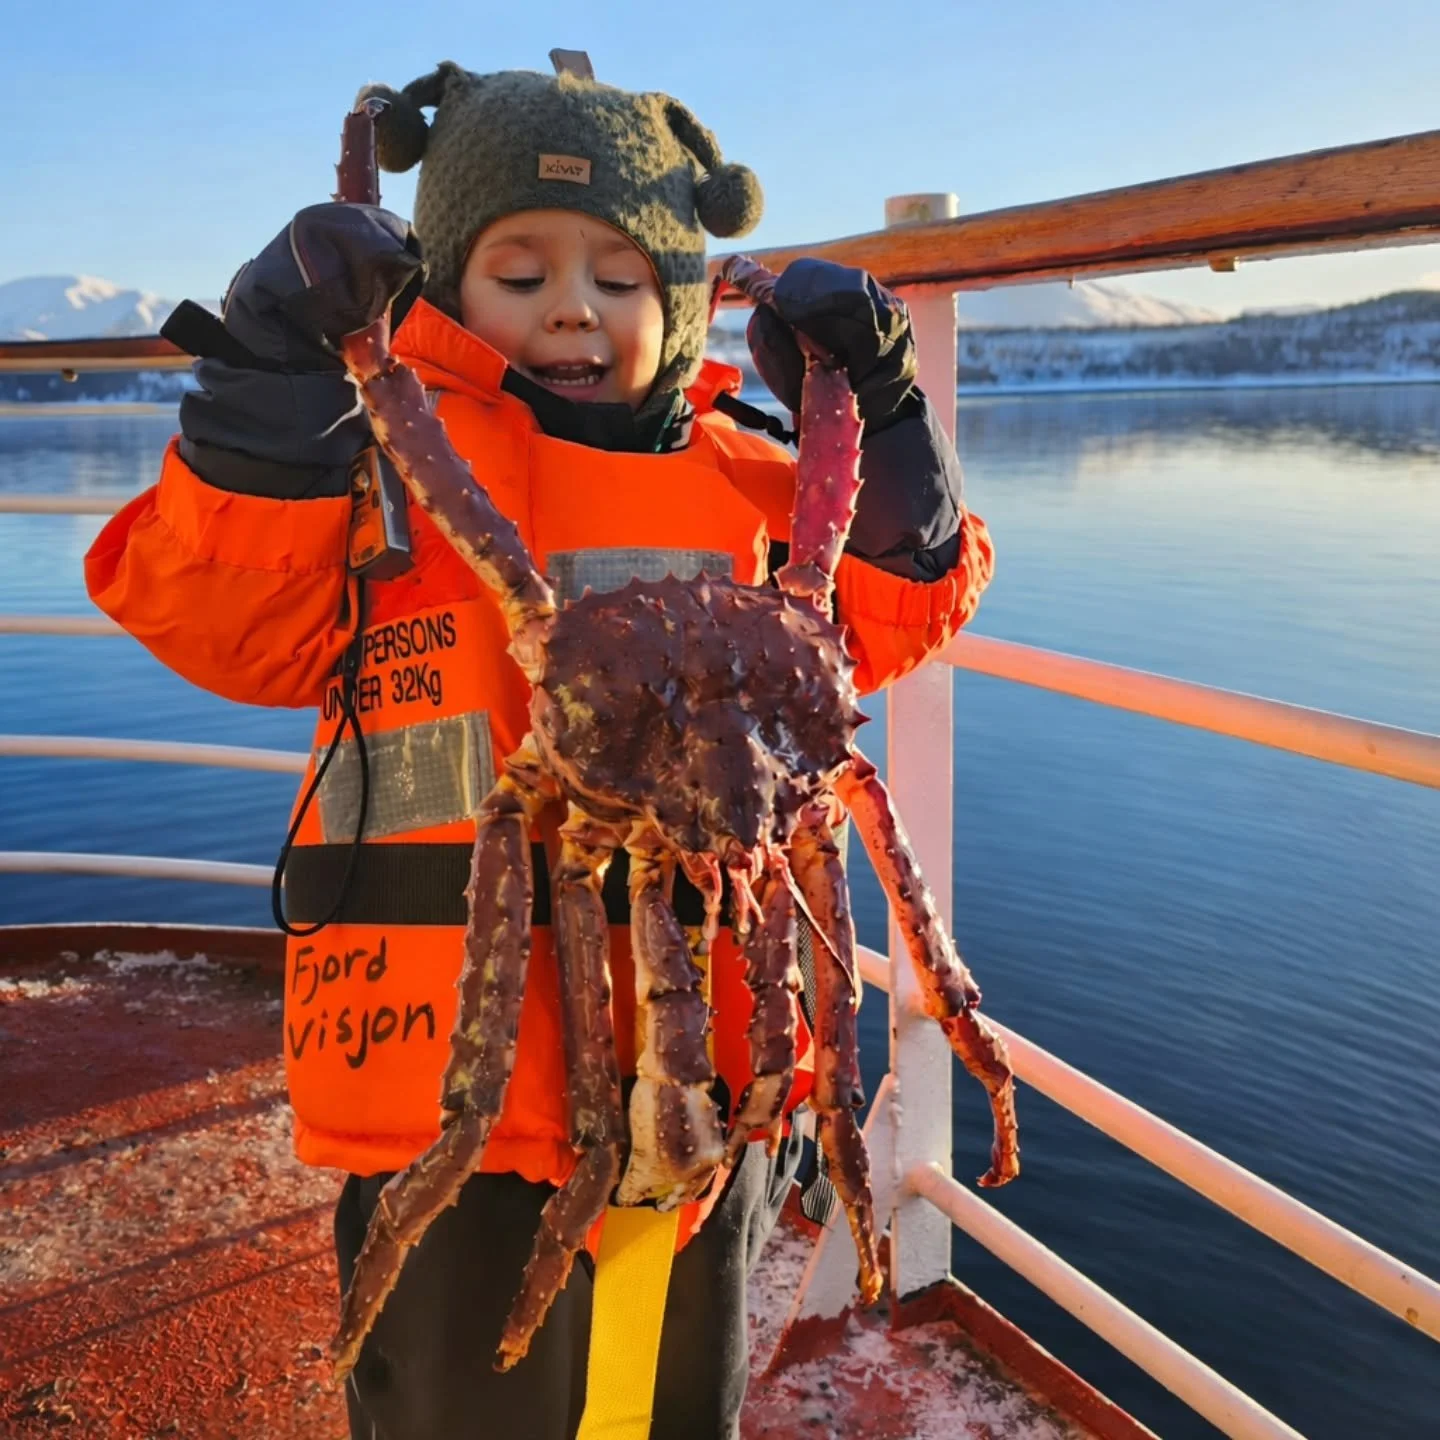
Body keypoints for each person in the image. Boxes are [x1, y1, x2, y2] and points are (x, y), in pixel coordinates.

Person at [85, 53, 994, 1440]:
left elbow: (887, 618)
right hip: (464, 1097)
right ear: (442, 286)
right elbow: (220, 621)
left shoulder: (752, 473)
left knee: (678, 1393)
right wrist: (270, 381)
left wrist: (887, 415)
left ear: (680, 303)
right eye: (521, 271)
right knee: (463, 1395)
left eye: (622, 279)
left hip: (723, 1072)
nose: (575, 306)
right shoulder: (372, 454)